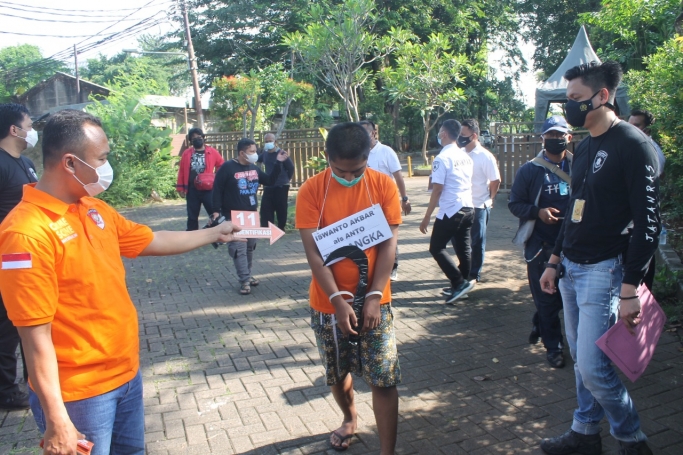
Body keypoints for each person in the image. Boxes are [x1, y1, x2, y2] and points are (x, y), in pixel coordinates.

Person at [0, 110, 242, 455]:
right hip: (79, 396)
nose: (106, 167)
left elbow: (152, 240)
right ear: (70, 163)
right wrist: (57, 419)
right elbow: (34, 339)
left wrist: (214, 233)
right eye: (101, 159)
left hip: (126, 377)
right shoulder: (25, 234)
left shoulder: (93, 208)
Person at [539, 61, 657, 455]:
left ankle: (632, 439)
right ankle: (585, 432)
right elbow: (576, 205)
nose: (569, 108)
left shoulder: (632, 144)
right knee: (580, 360)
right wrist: (555, 260)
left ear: (602, 96)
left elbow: (648, 224)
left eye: (575, 99)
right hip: (571, 267)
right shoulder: (585, 145)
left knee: (593, 367)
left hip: (605, 270)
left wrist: (629, 290)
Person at [295, 122, 401, 454]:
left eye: (358, 170)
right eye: (342, 171)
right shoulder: (311, 191)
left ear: (369, 157)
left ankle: (387, 451)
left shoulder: (383, 186)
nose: (351, 177)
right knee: (337, 372)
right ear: (327, 158)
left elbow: (389, 246)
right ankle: (350, 417)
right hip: (328, 303)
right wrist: (339, 301)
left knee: (383, 378)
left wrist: (373, 295)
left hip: (375, 301)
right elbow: (314, 253)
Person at [509, 115, 573, 369]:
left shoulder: (579, 166)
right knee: (547, 301)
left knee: (567, 299)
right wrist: (538, 213)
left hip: (574, 246)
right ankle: (554, 347)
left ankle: (542, 324)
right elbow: (514, 204)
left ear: (569, 137)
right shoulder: (529, 170)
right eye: (551, 136)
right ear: (542, 138)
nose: (556, 140)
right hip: (541, 248)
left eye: (560, 135)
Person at [212, 138, 289, 295]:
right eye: (252, 152)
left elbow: (269, 180)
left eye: (255, 151)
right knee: (238, 248)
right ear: (242, 153)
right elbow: (217, 189)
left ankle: (247, 274)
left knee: (249, 248)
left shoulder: (254, 168)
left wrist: (279, 162)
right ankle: (244, 281)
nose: (255, 155)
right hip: (233, 215)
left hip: (252, 215)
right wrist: (215, 211)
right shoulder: (228, 168)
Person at [0, 103, 39, 410]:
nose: (32, 130)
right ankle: (6, 390)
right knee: (7, 327)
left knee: (32, 320)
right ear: (14, 129)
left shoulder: (25, 162)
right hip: (6, 259)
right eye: (29, 124)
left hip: (30, 257)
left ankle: (34, 381)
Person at [420, 119, 475, 303]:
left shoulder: (442, 158)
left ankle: (459, 282)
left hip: (451, 210)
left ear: (443, 133)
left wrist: (427, 217)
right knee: (463, 248)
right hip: (468, 207)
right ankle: (461, 284)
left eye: (440, 132)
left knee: (436, 247)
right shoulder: (465, 156)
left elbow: (437, 189)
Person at [359, 120, 411, 281]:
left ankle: (392, 268)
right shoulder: (359, 152)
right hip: (365, 204)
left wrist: (404, 199)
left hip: (386, 203)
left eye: (364, 133)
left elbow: (398, 177)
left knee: (389, 237)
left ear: (373, 133)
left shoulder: (386, 152)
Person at [456, 119, 500, 283]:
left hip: (480, 205)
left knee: (477, 241)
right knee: (461, 241)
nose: (460, 137)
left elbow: (495, 180)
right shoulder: (459, 153)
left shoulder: (485, 156)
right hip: (461, 205)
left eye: (463, 135)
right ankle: (464, 270)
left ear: (474, 136)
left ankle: (474, 274)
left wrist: (490, 198)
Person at [628, 109, 664, 291]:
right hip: (631, 227)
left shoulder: (651, 152)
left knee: (641, 282)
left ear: (647, 129)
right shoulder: (632, 148)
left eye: (637, 125)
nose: (631, 129)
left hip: (642, 225)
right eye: (630, 124)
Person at [176, 128, 224, 231]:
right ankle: (192, 237)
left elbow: (221, 165)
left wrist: (216, 176)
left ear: (203, 138)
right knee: (192, 215)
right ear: (191, 141)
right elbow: (182, 171)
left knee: (214, 213)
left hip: (209, 189)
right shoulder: (187, 153)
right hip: (192, 190)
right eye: (193, 138)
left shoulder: (212, 151)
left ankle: (219, 234)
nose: (197, 139)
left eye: (199, 137)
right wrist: (180, 188)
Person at [257, 133, 294, 231]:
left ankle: (281, 228)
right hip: (269, 184)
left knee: (281, 207)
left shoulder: (281, 153)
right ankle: (267, 228)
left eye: (270, 141)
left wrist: (286, 179)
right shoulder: (265, 153)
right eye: (266, 141)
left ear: (275, 142)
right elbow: (257, 158)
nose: (268, 143)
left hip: (281, 185)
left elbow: (290, 168)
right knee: (266, 207)